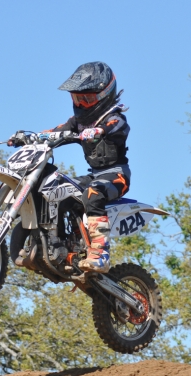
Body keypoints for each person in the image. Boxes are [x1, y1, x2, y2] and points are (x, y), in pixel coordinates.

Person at [21, 62, 130, 273]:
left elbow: (117, 126)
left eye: (87, 98)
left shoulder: (114, 117)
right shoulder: (77, 122)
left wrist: (99, 131)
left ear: (104, 95)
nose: (81, 104)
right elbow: (56, 132)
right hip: (94, 175)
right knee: (56, 190)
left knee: (93, 194)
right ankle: (61, 244)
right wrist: (30, 137)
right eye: (77, 98)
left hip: (117, 176)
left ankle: (100, 254)